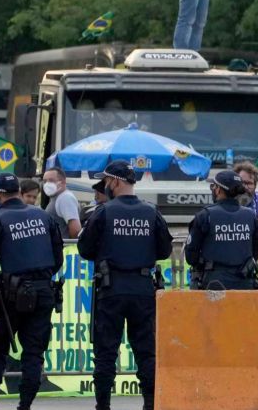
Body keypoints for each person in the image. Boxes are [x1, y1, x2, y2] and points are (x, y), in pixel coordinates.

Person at [78, 160, 172, 410]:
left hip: (111, 288)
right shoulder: (151, 211)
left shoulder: (104, 211)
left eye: (107, 181)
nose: (105, 186)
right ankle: (150, 403)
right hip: (143, 288)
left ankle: (103, 406)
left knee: (106, 351)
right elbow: (164, 250)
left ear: (116, 181)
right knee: (146, 351)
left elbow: (84, 249)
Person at [0, 172, 63, 410]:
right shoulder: (43, 216)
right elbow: (58, 258)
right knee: (34, 354)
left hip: (9, 296)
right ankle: (25, 406)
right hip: (43, 290)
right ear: (18, 191)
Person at [185, 170, 258, 290]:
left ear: (218, 189)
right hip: (244, 283)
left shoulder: (205, 215)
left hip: (214, 284)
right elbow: (257, 248)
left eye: (214, 186)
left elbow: (191, 256)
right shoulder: (250, 215)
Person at [42, 167, 82, 239]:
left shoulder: (65, 198)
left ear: (63, 182)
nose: (47, 184)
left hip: (62, 248)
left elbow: (76, 231)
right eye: (45, 181)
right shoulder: (57, 198)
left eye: (51, 180)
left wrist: (67, 246)